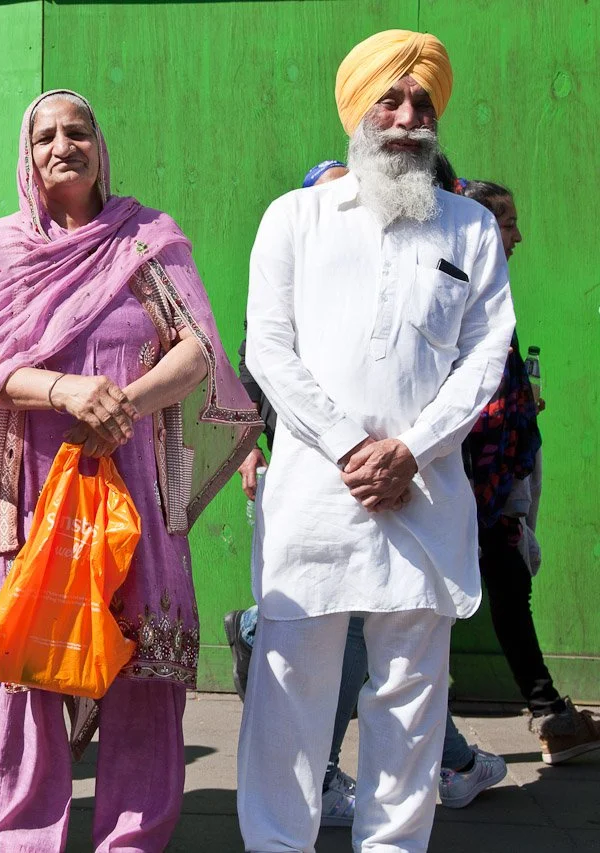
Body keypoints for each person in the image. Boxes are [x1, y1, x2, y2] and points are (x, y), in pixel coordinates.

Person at [0, 90, 261, 852]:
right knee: (22, 675)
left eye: (78, 131)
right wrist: (64, 391)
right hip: (28, 492)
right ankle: (29, 837)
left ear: (101, 145)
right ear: (26, 158)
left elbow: (197, 348)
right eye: (45, 136)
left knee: (144, 680)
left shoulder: (146, 238)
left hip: (134, 492)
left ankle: (131, 839)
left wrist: (121, 402)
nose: (63, 145)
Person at [237, 30, 518, 851]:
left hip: (423, 501)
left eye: (420, 102)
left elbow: (485, 355)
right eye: (388, 101)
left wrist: (412, 450)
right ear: (357, 110)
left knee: (410, 702)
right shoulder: (295, 217)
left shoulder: (468, 228)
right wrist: (347, 447)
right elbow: (268, 347)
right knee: (290, 695)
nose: (405, 117)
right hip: (315, 504)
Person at [441, 180, 599, 776]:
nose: (517, 234)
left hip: (492, 477)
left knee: (505, 584)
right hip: (465, 475)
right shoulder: (452, 281)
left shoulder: (487, 284)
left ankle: (550, 714)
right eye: (504, 220)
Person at [224, 156, 360, 831]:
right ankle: (306, 787)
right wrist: (249, 445)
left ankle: (321, 773)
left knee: (351, 627)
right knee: (309, 620)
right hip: (296, 476)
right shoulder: (289, 268)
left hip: (364, 482)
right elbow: (255, 359)